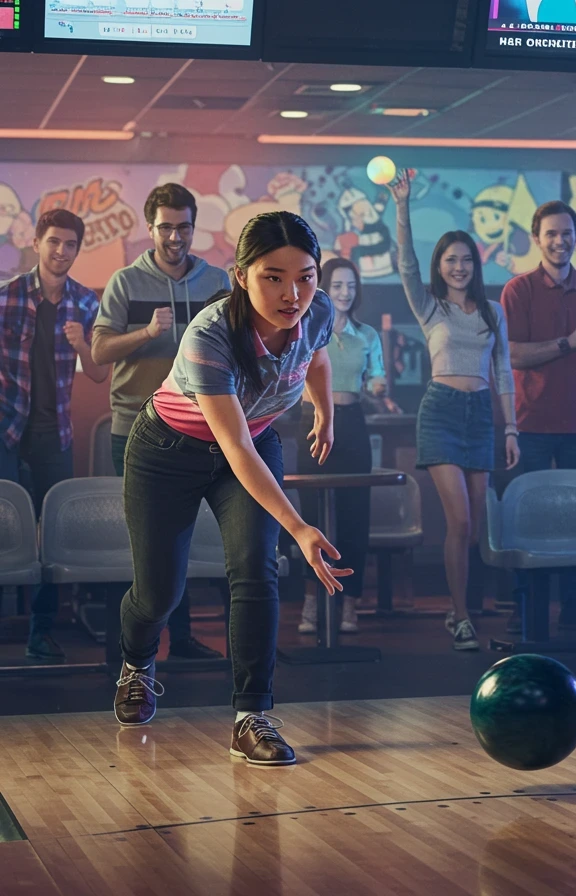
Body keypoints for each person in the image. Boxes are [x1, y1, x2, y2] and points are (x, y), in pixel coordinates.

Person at [113, 211, 346, 766]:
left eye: (306, 276)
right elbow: (232, 445)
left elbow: (316, 358)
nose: (293, 293)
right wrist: (299, 525)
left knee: (255, 568)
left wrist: (325, 412)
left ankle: (252, 716)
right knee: (159, 593)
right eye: (273, 276)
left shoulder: (317, 310)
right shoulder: (211, 334)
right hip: (168, 451)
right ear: (242, 275)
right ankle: (137, 663)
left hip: (253, 440)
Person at [92, 183, 229, 661]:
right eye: (166, 227)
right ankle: (131, 652)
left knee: (186, 540)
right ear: (150, 229)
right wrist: (146, 333)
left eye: (184, 226)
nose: (176, 236)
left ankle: (186, 640)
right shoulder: (125, 282)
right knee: (144, 544)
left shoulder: (217, 280)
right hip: (135, 429)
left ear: (195, 227)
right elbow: (99, 350)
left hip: (200, 430)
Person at [391, 170, 519, 652]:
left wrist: (512, 430)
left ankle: (457, 607)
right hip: (441, 411)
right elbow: (404, 265)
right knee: (460, 522)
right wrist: (402, 208)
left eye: (466, 259)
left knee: (475, 525)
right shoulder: (430, 308)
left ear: (475, 264)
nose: (459, 267)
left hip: (481, 415)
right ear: (439, 266)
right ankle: (461, 616)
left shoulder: (492, 310)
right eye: (450, 260)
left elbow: (504, 371)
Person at [501, 199, 576, 635]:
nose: (560, 241)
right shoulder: (518, 290)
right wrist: (570, 342)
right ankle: (525, 607)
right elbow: (511, 353)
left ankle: (574, 606)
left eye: (567, 233)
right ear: (536, 239)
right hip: (530, 422)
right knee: (529, 516)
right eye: (551, 233)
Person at [0, 209, 109, 663]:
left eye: (70, 245)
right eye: (53, 242)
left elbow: (101, 374)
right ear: (38, 243)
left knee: (49, 537)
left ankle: (40, 633)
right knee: (4, 533)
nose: (61, 251)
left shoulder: (85, 303)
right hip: (6, 431)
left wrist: (82, 343)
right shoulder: (6, 298)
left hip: (54, 435)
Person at [296, 258, 387, 636]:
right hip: (311, 423)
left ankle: (350, 603)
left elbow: (378, 377)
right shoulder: (303, 328)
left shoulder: (367, 335)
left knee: (354, 518)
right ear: (322, 288)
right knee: (310, 517)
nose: (345, 292)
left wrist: (379, 388)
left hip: (351, 425)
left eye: (350, 286)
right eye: (337, 286)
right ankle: (312, 601)